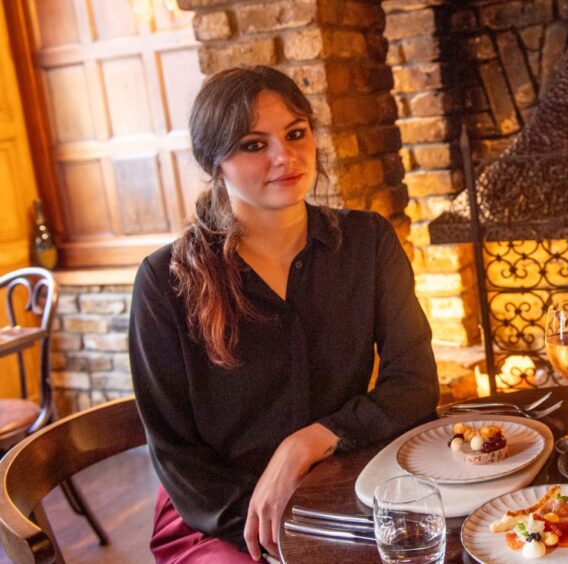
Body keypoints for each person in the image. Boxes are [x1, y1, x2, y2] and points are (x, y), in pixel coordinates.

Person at [129, 65, 439, 563]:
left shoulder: (368, 242)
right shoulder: (164, 281)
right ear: (215, 161)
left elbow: (416, 384)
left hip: (349, 485)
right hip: (216, 515)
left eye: (296, 133)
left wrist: (309, 441)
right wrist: (273, 537)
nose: (285, 156)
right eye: (254, 145)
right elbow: (175, 453)